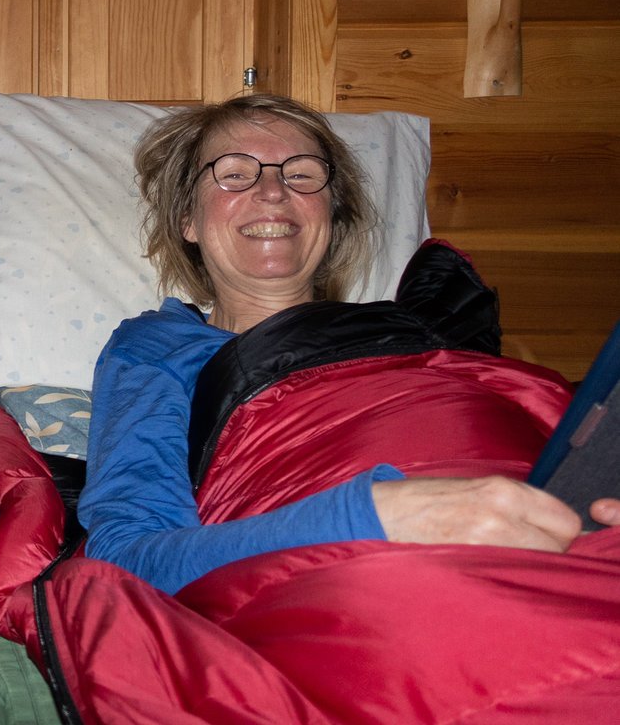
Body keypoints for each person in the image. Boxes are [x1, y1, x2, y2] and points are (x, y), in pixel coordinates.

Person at [77, 93, 620, 595]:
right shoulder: (159, 345)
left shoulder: (421, 334)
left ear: (331, 219)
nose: (272, 191)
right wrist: (372, 517)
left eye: (302, 175)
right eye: (234, 174)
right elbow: (128, 560)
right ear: (187, 220)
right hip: (372, 584)